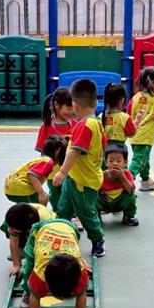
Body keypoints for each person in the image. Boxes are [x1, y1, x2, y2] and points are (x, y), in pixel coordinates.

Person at [52, 79, 108, 257]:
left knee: (86, 213)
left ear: (75, 105)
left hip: (84, 183)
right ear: (95, 102)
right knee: (63, 209)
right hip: (74, 178)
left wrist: (62, 172)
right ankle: (59, 235)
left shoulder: (85, 126)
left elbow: (75, 151)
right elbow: (102, 145)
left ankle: (98, 239)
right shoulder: (95, 123)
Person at [19, 218, 91, 308]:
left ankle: (80, 259)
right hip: (41, 229)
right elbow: (34, 297)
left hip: (70, 229)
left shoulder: (81, 274)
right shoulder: (39, 275)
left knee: (75, 253)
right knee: (29, 267)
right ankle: (26, 291)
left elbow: (81, 295)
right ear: (45, 276)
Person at [3, 135, 67, 207]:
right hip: (21, 188)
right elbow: (31, 175)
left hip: (11, 187)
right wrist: (41, 193)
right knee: (38, 206)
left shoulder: (43, 159)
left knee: (39, 202)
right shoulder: (48, 162)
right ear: (58, 151)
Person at [2, 201, 53, 276]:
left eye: (13, 229)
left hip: (44, 228)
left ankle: (26, 248)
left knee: (36, 247)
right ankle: (21, 249)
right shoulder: (13, 216)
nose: (10, 230)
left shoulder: (46, 225)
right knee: (10, 230)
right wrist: (16, 265)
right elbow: (13, 240)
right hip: (24, 222)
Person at [97, 142, 139, 226]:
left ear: (125, 162)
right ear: (106, 162)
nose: (115, 163)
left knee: (131, 196)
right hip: (105, 203)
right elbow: (96, 191)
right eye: (111, 161)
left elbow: (131, 190)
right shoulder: (102, 175)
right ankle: (96, 218)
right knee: (92, 198)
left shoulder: (126, 173)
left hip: (120, 203)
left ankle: (128, 217)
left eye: (119, 161)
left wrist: (122, 177)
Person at [35, 87, 75, 152]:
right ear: (56, 104)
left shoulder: (75, 124)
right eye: (68, 109)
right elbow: (42, 151)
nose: (71, 112)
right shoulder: (46, 126)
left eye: (73, 108)